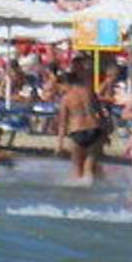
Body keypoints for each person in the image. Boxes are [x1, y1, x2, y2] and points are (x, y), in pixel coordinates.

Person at [53, 57, 106, 186]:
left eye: (59, 88)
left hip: (77, 132)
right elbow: (100, 114)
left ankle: (78, 196)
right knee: (89, 170)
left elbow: (62, 124)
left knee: (77, 170)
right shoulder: (89, 92)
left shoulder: (66, 99)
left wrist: (59, 145)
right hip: (95, 130)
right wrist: (105, 134)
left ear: (65, 83)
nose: (60, 91)